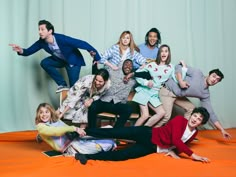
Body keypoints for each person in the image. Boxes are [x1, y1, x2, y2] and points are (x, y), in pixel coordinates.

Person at [74, 107, 211, 164]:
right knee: (115, 132)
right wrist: (194, 156)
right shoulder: (180, 120)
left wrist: (173, 151)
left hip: (152, 147)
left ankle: (87, 156)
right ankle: (82, 132)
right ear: (191, 115)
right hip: (147, 133)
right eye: (195, 116)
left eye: (199, 119)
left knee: (122, 156)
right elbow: (176, 139)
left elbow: (179, 144)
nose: (195, 119)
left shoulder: (195, 133)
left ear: (201, 123)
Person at [9, 20, 101, 93]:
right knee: (45, 63)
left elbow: (81, 43)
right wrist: (21, 50)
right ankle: (62, 84)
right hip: (61, 61)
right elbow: (29, 51)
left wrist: (95, 56)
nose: (39, 32)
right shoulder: (41, 42)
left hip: (73, 61)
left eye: (42, 29)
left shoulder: (62, 39)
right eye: (39, 29)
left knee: (74, 89)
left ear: (50, 31)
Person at [158, 65, 232, 139]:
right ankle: (150, 132)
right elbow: (178, 66)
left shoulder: (205, 94)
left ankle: (183, 132)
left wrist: (222, 130)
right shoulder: (197, 73)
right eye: (213, 76)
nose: (214, 80)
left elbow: (211, 114)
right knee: (166, 116)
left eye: (217, 80)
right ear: (209, 74)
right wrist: (180, 81)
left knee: (192, 109)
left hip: (177, 96)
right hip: (167, 90)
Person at [35, 103, 116, 156]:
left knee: (109, 128)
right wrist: (74, 128)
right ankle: (112, 144)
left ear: (51, 112)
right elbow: (56, 132)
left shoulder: (56, 120)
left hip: (76, 138)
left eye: (46, 112)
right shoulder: (40, 126)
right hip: (71, 147)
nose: (44, 115)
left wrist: (79, 131)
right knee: (109, 143)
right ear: (38, 114)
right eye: (41, 112)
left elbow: (66, 128)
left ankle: (111, 141)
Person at [132, 44, 174, 127]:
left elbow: (176, 79)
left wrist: (183, 69)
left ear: (168, 54)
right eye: (162, 51)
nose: (164, 53)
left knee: (162, 113)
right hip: (144, 91)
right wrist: (146, 83)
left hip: (155, 94)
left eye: (166, 51)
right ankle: (130, 135)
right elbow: (138, 75)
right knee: (145, 115)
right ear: (159, 53)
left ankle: (142, 131)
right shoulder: (152, 64)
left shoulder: (171, 67)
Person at [87, 59, 136, 128]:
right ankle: (92, 131)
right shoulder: (112, 72)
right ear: (122, 65)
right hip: (104, 101)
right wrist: (95, 64)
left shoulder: (134, 80)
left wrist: (132, 74)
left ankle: (114, 132)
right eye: (126, 64)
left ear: (133, 68)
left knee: (128, 109)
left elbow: (147, 75)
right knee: (92, 106)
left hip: (117, 105)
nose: (128, 66)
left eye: (130, 65)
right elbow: (98, 74)